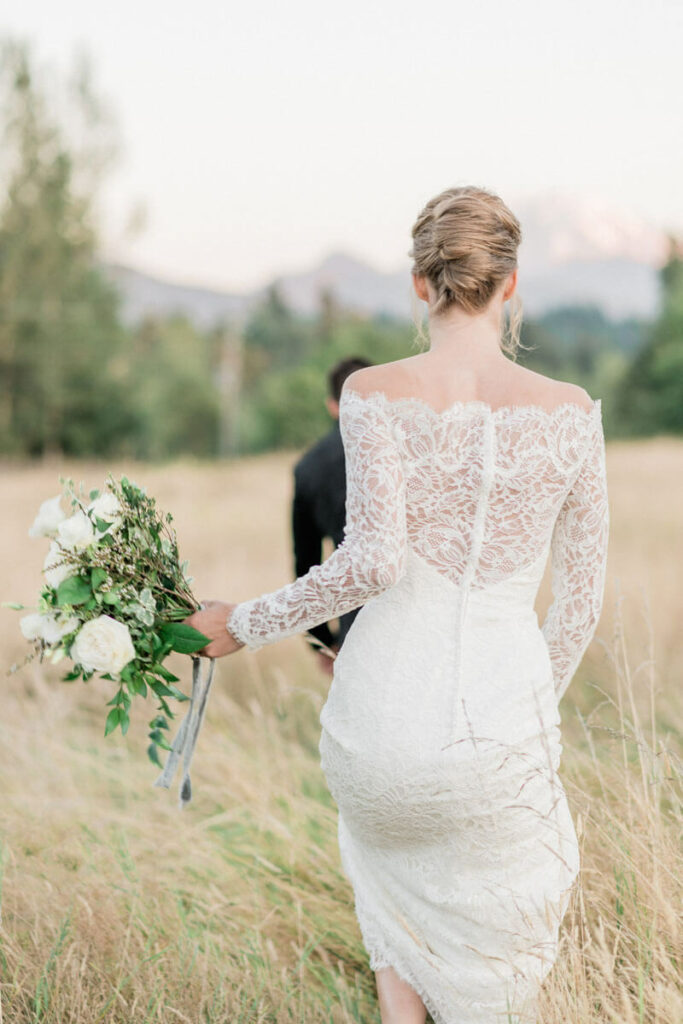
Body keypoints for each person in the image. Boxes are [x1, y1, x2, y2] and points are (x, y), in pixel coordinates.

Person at [185, 185, 610, 1024]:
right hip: (503, 739)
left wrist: (240, 623)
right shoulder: (571, 415)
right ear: (510, 283)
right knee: (494, 962)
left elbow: (371, 561)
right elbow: (579, 605)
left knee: (399, 935)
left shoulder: (376, 392)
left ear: (420, 283)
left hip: (379, 723)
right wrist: (523, 713)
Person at [292, 356, 373, 676]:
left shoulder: (308, 467)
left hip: (353, 627)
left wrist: (323, 641)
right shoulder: (409, 446)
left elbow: (306, 563)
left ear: (332, 405)